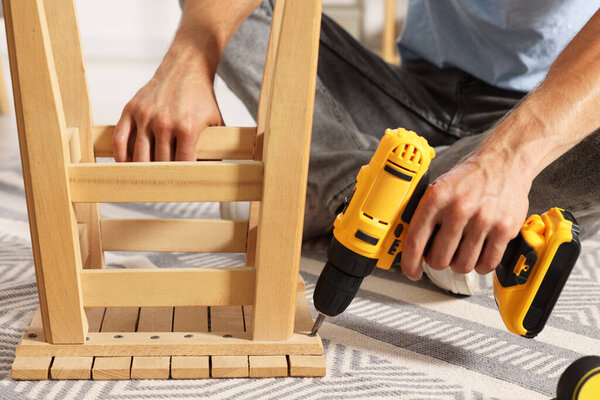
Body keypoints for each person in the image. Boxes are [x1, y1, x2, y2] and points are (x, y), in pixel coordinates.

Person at [111, 0, 600, 294]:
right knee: (231, 11)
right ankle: (362, 192)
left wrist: (508, 161)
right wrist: (187, 60)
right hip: (405, 99)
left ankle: (335, 188)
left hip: (550, 120)